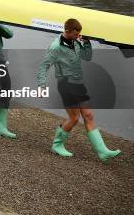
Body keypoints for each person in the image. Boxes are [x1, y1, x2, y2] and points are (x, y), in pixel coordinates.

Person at [37, 18, 121, 161]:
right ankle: (57, 145)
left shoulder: (75, 42)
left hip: (78, 84)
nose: (78, 36)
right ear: (67, 31)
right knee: (74, 118)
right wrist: (41, 85)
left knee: (88, 115)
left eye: (79, 34)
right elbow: (44, 66)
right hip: (66, 85)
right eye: (76, 34)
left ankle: (102, 151)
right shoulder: (55, 47)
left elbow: (87, 57)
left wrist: (87, 43)